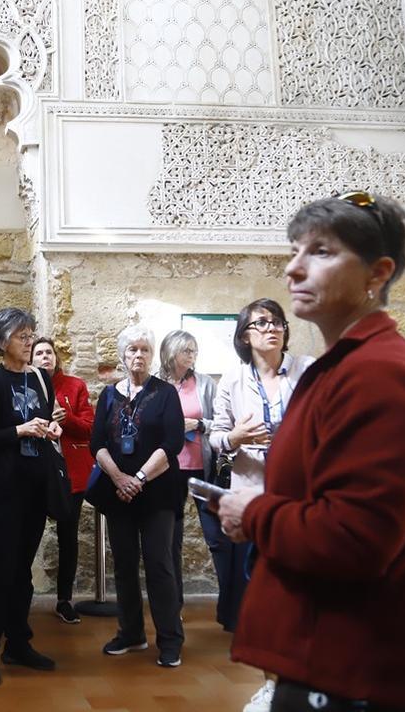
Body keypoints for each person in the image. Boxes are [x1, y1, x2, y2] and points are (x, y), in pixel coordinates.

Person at [219, 192, 405, 711]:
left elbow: (356, 537)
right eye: (295, 250)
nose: (294, 269)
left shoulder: (378, 373)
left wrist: (254, 512)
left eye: (321, 252)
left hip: (358, 659)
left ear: (378, 274)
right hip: (333, 646)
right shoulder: (348, 364)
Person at [207, 299, 313, 712]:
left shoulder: (308, 371)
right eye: (262, 323)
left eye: (278, 322)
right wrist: (235, 438)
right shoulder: (233, 379)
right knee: (266, 599)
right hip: (254, 499)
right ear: (244, 334)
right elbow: (215, 437)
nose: (272, 328)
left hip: (304, 499)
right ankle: (273, 685)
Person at [0, 308, 62, 687]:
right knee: (0, 569)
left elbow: (45, 420)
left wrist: (49, 428)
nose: (30, 340)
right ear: (3, 341)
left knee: (22, 569)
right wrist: (19, 430)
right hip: (4, 490)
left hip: (35, 486)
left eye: (31, 333)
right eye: (22, 335)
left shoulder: (40, 378)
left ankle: (18, 643)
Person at [89, 324, 185, 668]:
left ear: (151, 354)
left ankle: (171, 640)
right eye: (132, 350)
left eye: (145, 349)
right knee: (125, 565)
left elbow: (172, 444)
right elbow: (96, 444)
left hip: (157, 493)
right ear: (122, 355)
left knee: (160, 566)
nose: (139, 355)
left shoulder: (165, 393)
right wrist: (119, 478)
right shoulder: (108, 395)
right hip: (119, 493)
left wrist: (139, 479)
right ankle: (131, 632)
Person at [29, 336, 94, 624]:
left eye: (49, 352)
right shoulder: (23, 385)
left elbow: (89, 428)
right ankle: (20, 595)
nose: (45, 357)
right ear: (31, 359)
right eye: (39, 353)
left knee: (69, 538)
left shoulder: (74, 386)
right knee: (26, 536)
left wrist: (67, 418)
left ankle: (65, 600)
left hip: (69, 474)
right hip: (32, 474)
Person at [155, 330, 216, 608]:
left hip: (202, 468)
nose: (192, 356)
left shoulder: (204, 383)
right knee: (171, 541)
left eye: (194, 351)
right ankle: (173, 604)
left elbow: (221, 422)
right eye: (186, 351)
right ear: (171, 353)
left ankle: (231, 604)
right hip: (170, 469)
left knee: (216, 535)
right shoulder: (156, 385)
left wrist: (199, 425)